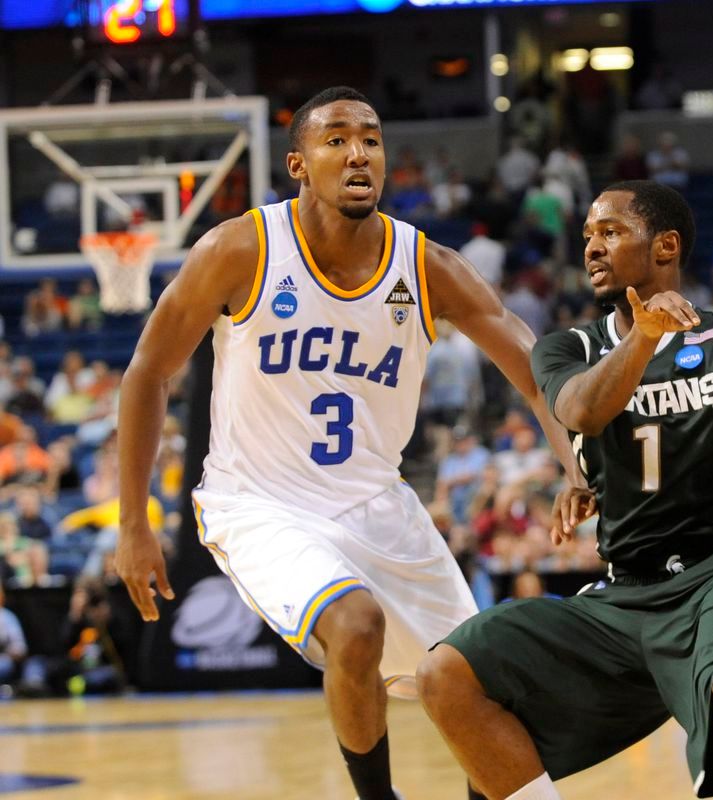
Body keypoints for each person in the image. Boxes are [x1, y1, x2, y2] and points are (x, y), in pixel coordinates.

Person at [114, 87, 582, 800]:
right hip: (259, 503)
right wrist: (132, 521)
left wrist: (574, 460)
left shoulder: (425, 266)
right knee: (354, 623)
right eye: (337, 139)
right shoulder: (242, 248)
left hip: (376, 504)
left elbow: (530, 365)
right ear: (299, 164)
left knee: (479, 688)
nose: (358, 152)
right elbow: (147, 372)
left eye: (371, 138)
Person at [418, 186, 713, 800]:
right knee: (446, 673)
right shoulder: (569, 347)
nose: (592, 245)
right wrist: (641, 339)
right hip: (622, 599)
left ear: (665, 246)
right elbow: (581, 412)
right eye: (590, 234)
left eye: (612, 232)